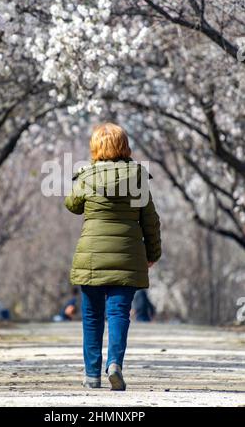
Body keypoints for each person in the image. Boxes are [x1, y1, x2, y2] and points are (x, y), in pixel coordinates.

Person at [64, 123, 162, 391]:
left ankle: (91, 375)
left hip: (92, 258)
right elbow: (150, 221)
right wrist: (152, 254)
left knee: (92, 317)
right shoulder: (138, 177)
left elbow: (72, 205)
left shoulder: (87, 175)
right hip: (128, 257)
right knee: (119, 313)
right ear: (124, 146)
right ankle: (115, 364)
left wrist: (80, 178)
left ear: (96, 147)